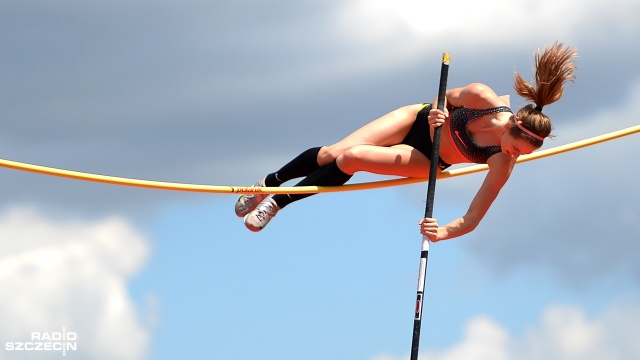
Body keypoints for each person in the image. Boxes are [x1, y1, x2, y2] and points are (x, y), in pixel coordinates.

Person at [235, 42, 577, 239]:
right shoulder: (482, 97)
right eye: (516, 147)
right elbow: (445, 97)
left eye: (521, 154)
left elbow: (473, 217)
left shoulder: (501, 161)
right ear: (513, 125)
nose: (515, 156)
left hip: (429, 161)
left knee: (351, 158)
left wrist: (441, 231)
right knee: (331, 153)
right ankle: (268, 183)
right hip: (415, 120)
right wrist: (438, 113)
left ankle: (277, 202)